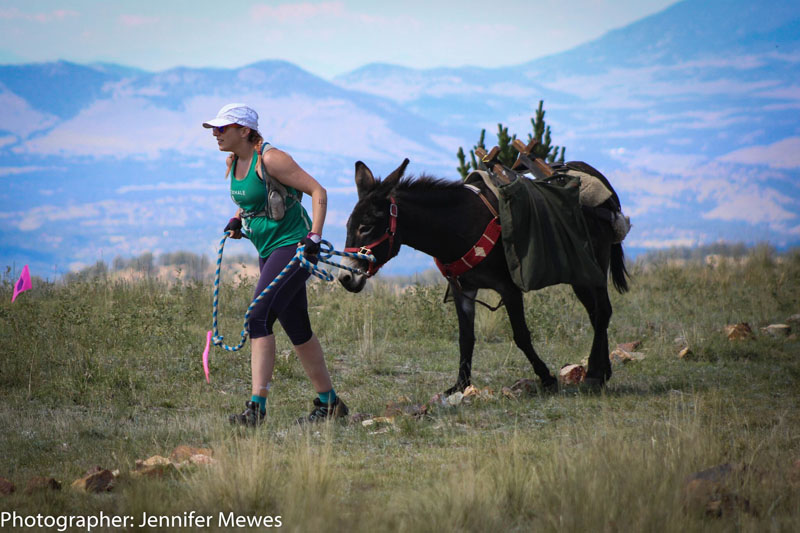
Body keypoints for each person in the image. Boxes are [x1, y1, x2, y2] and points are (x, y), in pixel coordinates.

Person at [202, 103, 348, 426]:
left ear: (244, 131)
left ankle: (257, 410)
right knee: (297, 328)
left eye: (222, 128)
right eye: (214, 128)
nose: (216, 134)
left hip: (294, 248)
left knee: (258, 315)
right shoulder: (235, 161)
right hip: (268, 249)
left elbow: (318, 191)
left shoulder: (270, 158)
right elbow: (249, 200)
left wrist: (314, 237)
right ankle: (331, 404)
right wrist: (238, 220)